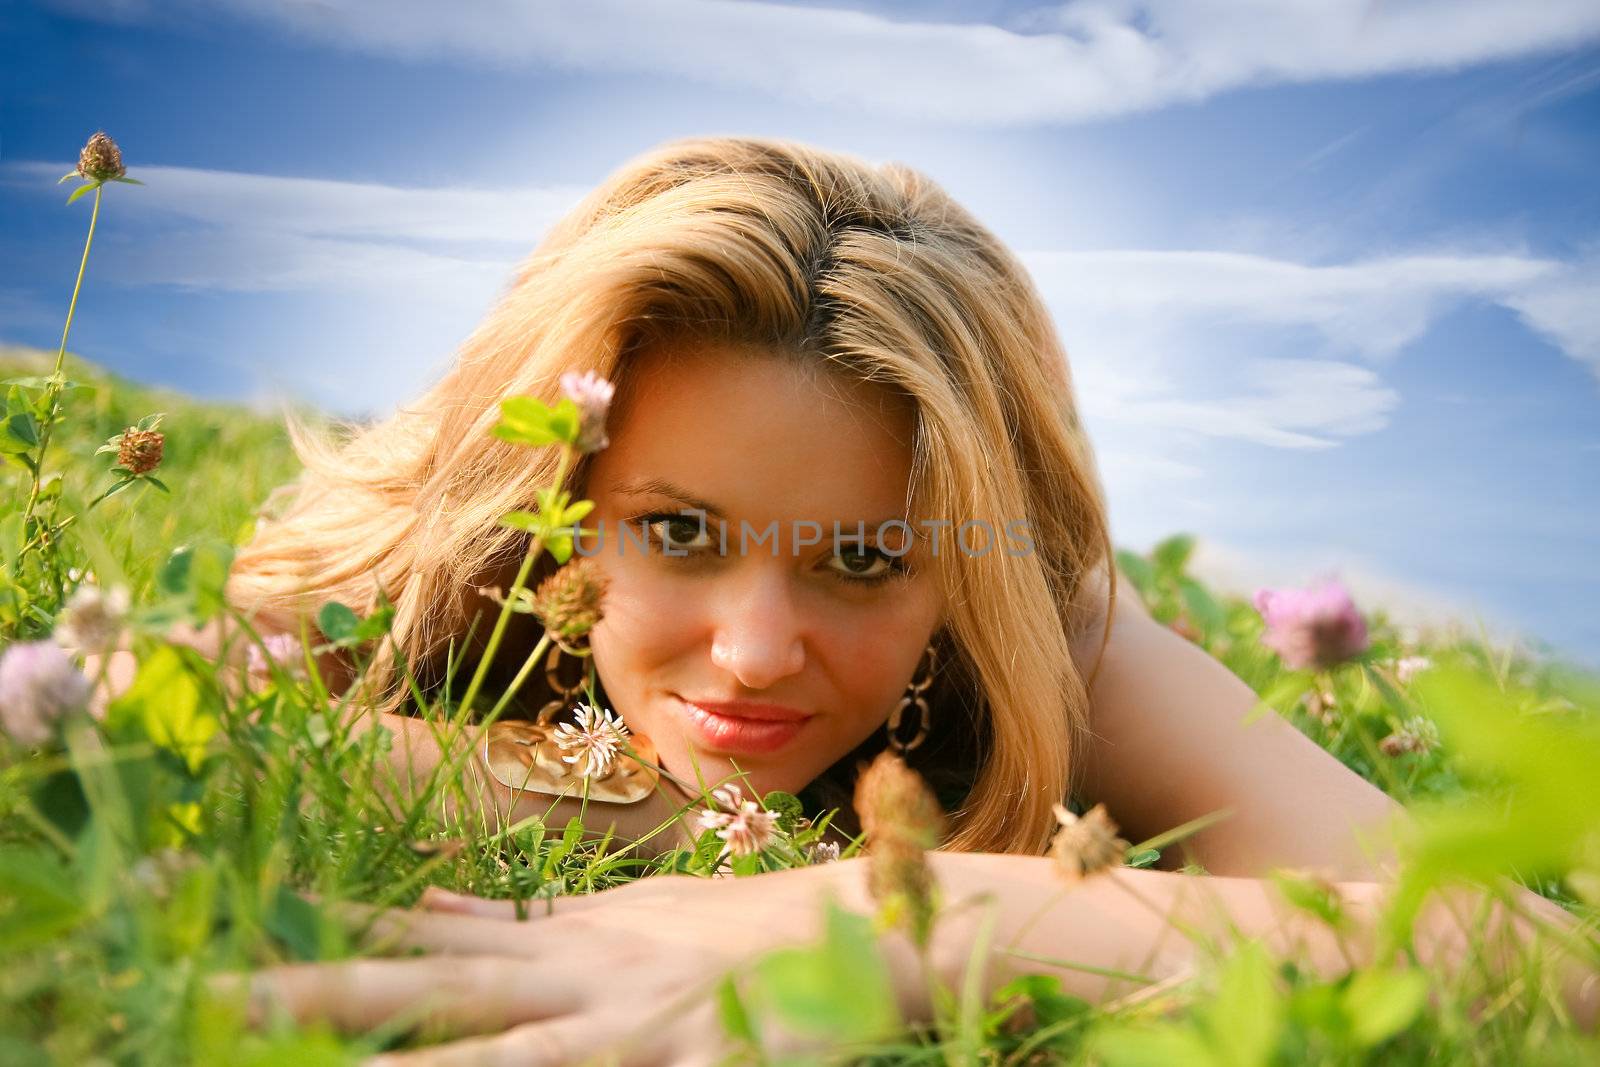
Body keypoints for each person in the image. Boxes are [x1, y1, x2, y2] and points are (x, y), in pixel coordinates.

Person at [86, 136, 1595, 1061]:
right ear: (550, 491)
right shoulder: (416, 568)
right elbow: (138, 721)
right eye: (677, 531)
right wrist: (667, 813)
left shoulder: (1050, 627)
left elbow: (1538, 966)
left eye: (866, 559)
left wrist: (923, 922)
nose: (751, 653)